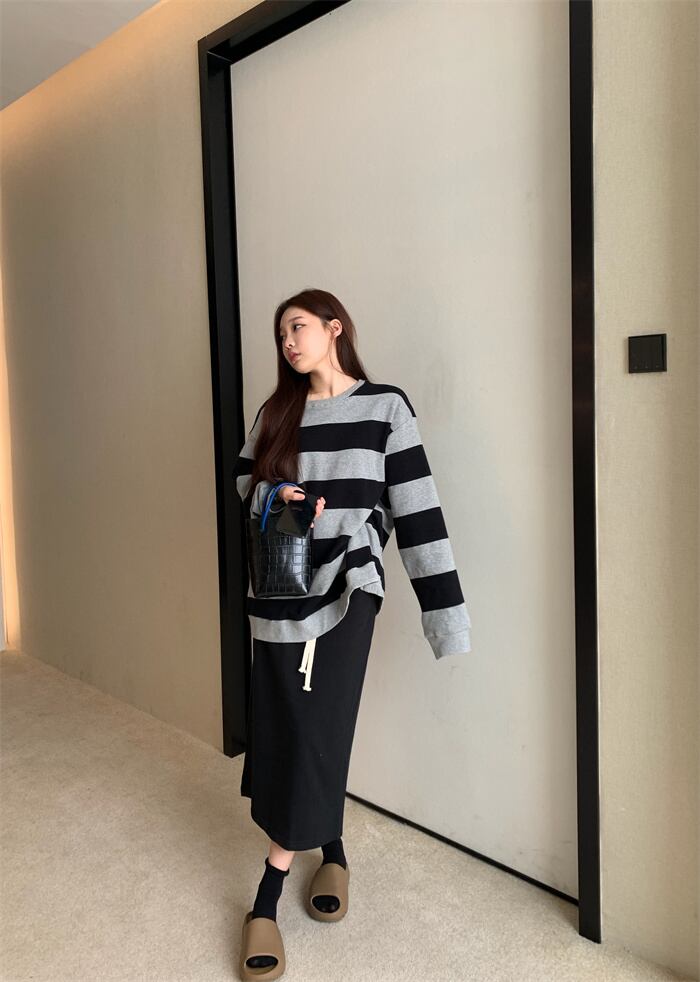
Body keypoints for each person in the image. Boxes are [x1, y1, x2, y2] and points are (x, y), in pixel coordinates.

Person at [232, 288, 472, 980]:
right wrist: (278, 494)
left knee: (318, 726)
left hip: (348, 589)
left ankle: (267, 894)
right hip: (280, 589)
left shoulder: (385, 408)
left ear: (335, 328)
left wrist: (444, 612)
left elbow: (418, 511)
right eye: (281, 333)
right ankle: (332, 852)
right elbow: (244, 481)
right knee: (288, 724)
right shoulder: (277, 413)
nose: (288, 341)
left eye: (298, 326)